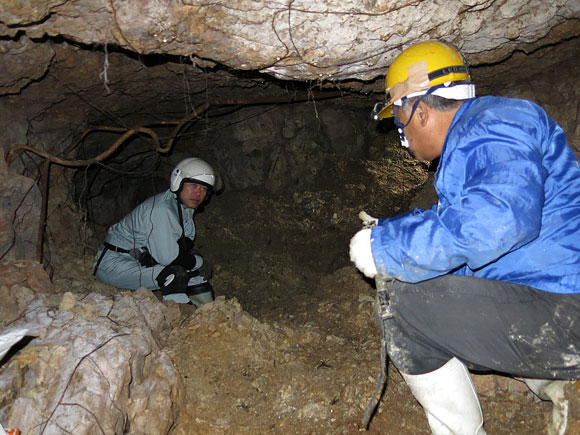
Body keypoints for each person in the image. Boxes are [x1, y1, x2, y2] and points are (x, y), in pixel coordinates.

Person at [350, 40, 580, 434]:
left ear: (420, 111)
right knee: (442, 286)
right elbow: (465, 225)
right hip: (555, 296)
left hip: (567, 308)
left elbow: (500, 218)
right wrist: (392, 234)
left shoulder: (493, 123)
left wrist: (387, 248)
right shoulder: (479, 135)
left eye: (399, 119)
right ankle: (556, 382)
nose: (401, 135)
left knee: (405, 305)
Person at [93, 157, 217, 307]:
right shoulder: (162, 209)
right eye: (193, 185)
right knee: (174, 275)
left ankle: (209, 313)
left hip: (139, 259)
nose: (198, 193)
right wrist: (199, 262)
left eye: (204, 189)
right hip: (114, 265)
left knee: (194, 273)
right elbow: (169, 259)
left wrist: (194, 262)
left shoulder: (185, 208)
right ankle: (184, 320)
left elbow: (186, 243)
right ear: (179, 182)